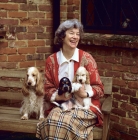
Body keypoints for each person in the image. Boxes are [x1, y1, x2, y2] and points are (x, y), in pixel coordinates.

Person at [36, 19, 104, 140]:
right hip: (62, 105)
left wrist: (85, 93)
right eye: (71, 33)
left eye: (78, 34)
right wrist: (59, 97)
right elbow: (47, 88)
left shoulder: (87, 58)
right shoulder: (51, 61)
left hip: (85, 106)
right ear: (62, 36)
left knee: (64, 122)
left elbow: (100, 88)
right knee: (52, 119)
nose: (75, 37)